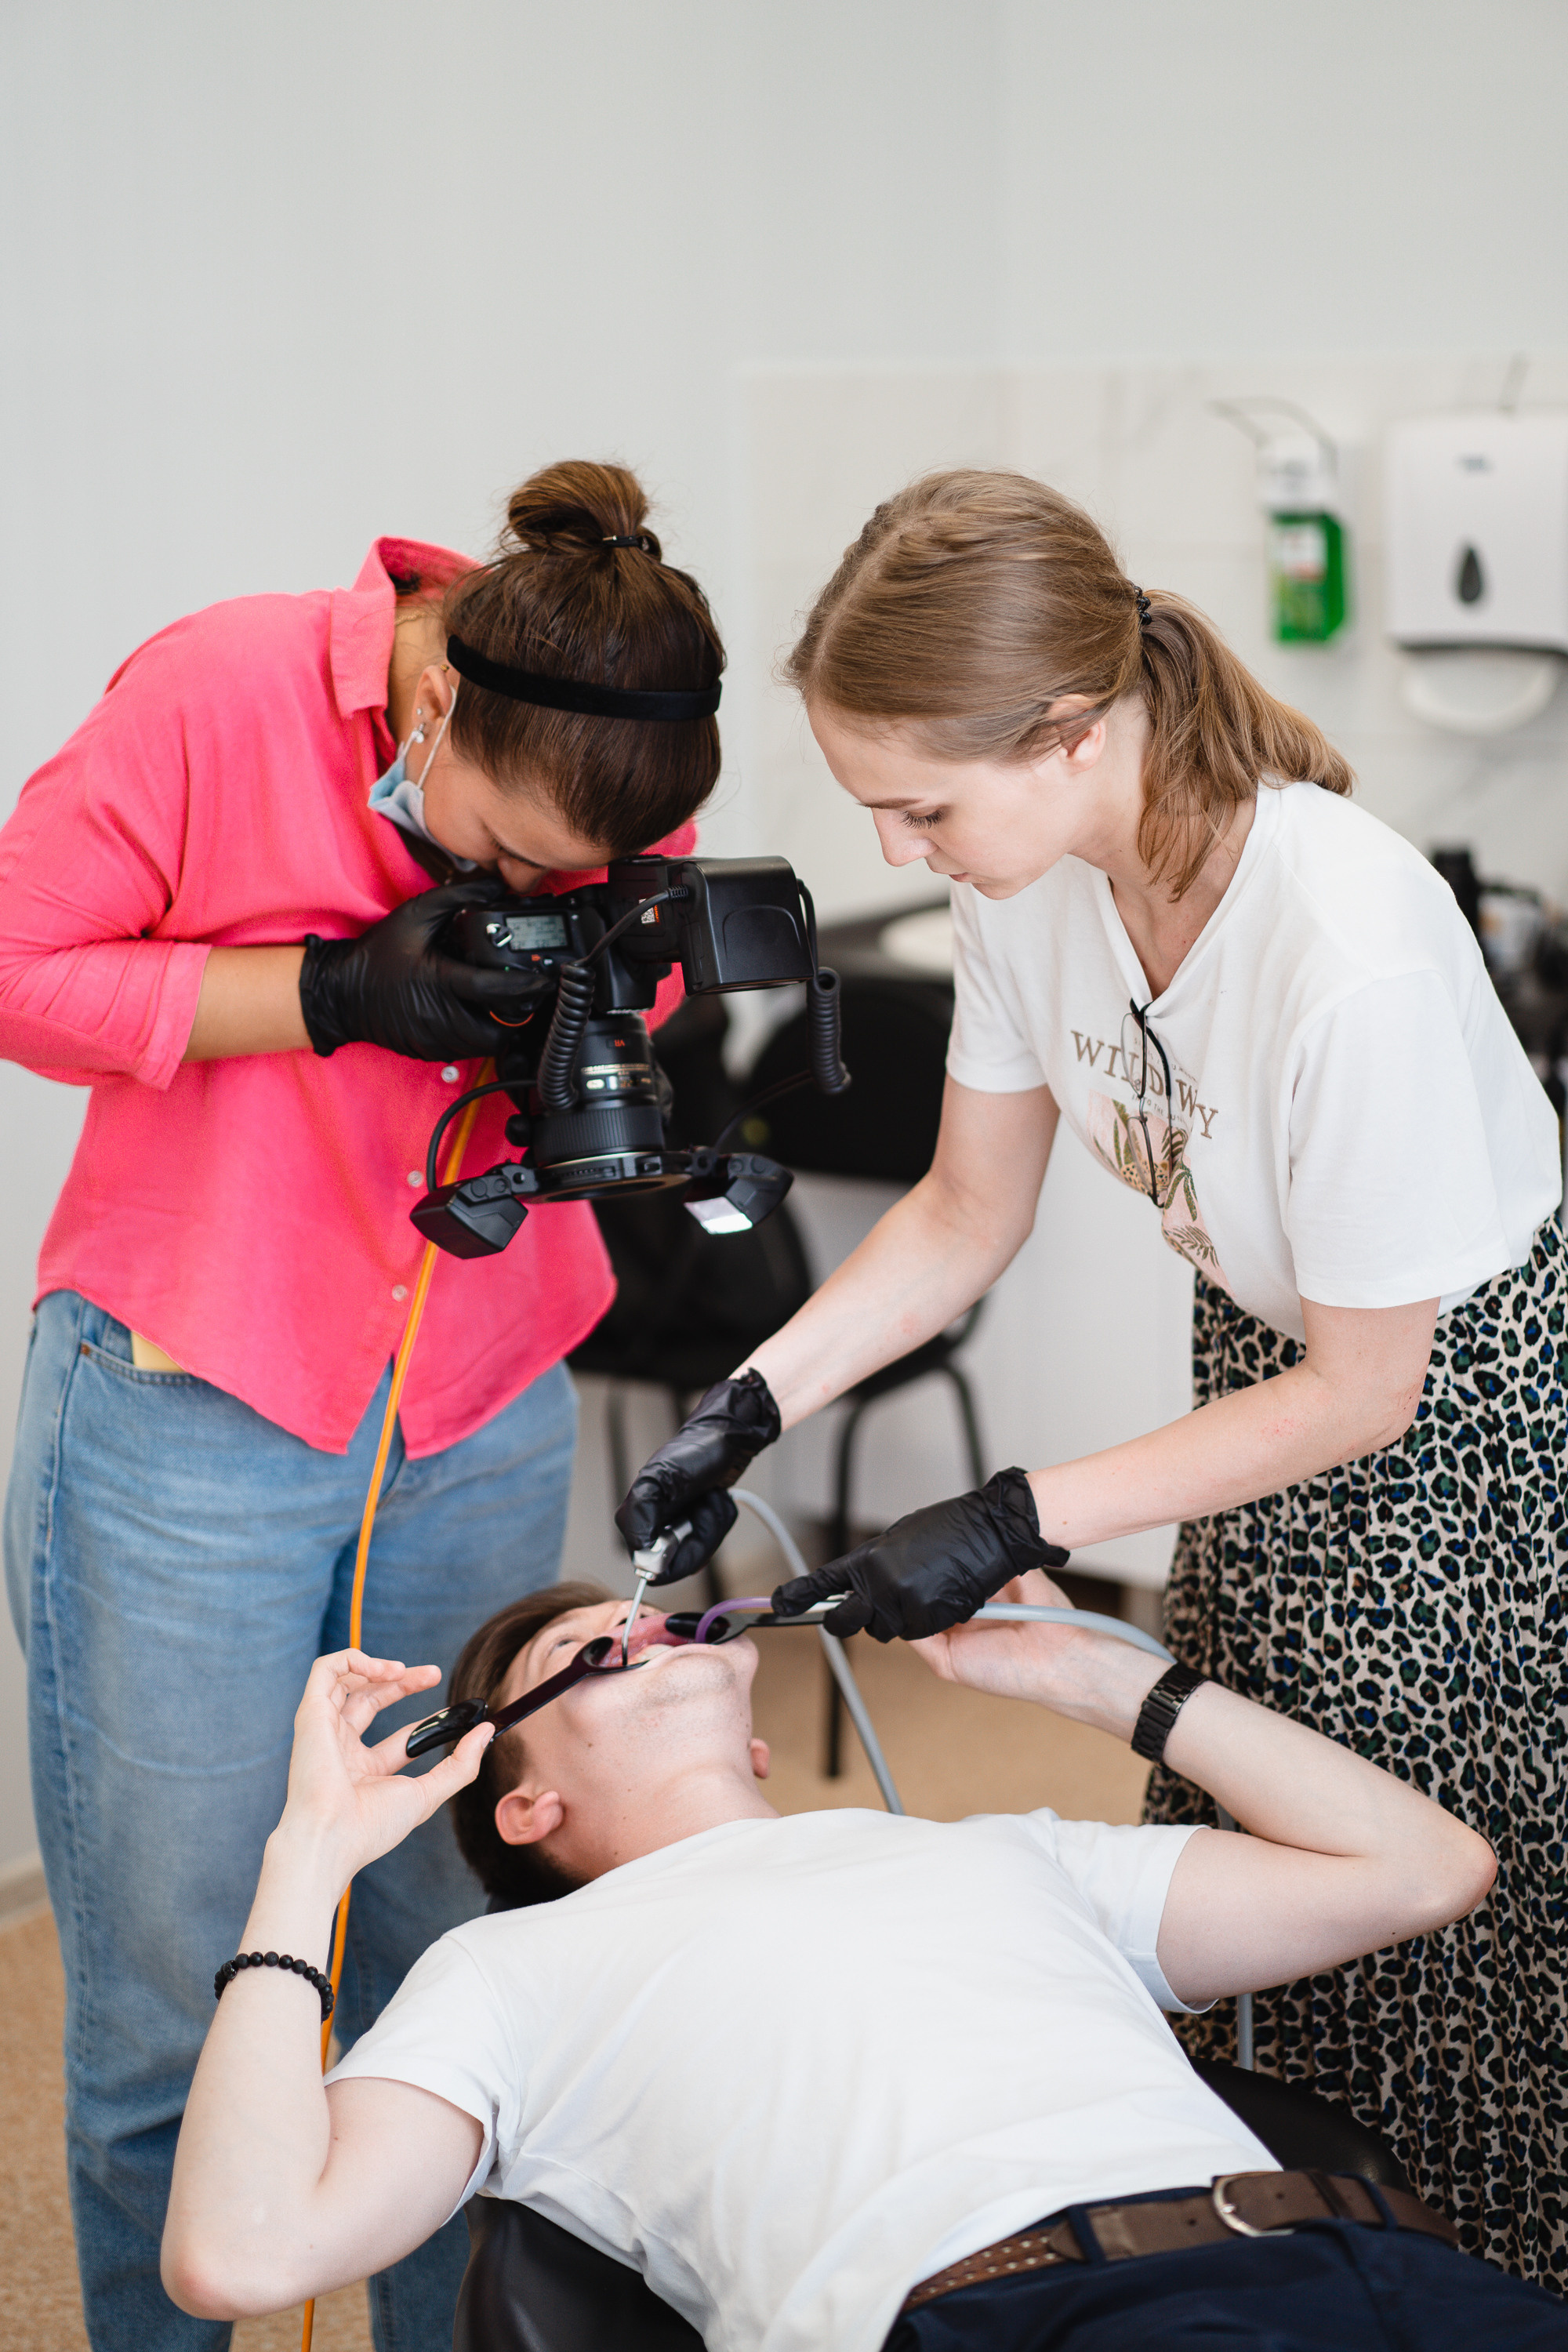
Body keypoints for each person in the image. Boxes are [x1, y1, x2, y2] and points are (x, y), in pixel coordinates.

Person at [615, 469, 1568, 2289]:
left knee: (1427, 1906)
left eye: (922, 804)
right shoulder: (1037, 880)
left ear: (1065, 733)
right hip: (1267, 1373)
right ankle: (1269, 2255)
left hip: (1462, 1425)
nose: (899, 850)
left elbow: (1371, 1390)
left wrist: (1011, 1515)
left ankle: (1462, 2287)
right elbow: (967, 1213)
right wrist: (752, 1404)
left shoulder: (1339, 944)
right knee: (1241, 1825)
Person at [0, 459, 725, 2352]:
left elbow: (618, 1003)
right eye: (492, 856)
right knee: (179, 2001)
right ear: (427, 713)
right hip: (193, 1408)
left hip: (477, 1395)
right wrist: (321, 992)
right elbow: (16, 964)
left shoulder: (621, 765)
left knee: (455, 1966)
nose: (518, 898)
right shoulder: (219, 694)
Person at [158, 1576, 1561, 2352]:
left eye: (648, 1615)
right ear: (528, 1808)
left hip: (1376, 2270)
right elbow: (240, 2253)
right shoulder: (505, 1971)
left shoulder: (990, 1850)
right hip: (1022, 2315)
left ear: (756, 1744)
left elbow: (1425, 1871)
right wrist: (309, 1856)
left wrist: (1084, 1678)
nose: (643, 1619)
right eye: (587, 1648)